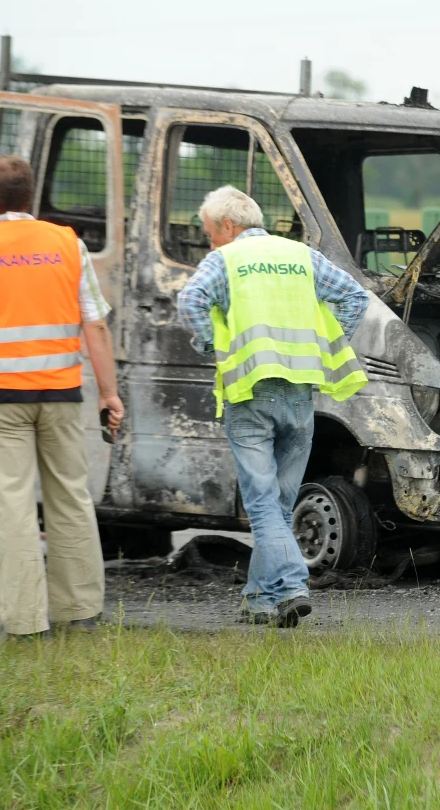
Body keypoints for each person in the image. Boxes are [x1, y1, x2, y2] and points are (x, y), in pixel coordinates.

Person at [0, 155, 125, 636]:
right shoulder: (67, 243)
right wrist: (109, 395)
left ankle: (26, 622)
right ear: (30, 196)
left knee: (11, 506)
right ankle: (79, 613)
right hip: (60, 392)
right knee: (70, 498)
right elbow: (94, 323)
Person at [176, 185, 368, 625]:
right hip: (300, 393)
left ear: (228, 225)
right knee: (280, 505)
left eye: (209, 233)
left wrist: (211, 343)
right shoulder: (302, 257)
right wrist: (323, 345)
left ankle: (294, 584)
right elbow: (355, 299)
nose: (209, 242)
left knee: (262, 503)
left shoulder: (224, 260)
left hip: (250, 392)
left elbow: (190, 301)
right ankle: (261, 600)